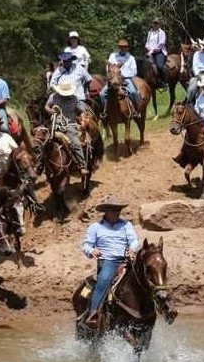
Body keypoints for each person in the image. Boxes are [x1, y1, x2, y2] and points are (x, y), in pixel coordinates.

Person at [81, 196, 140, 327]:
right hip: (108, 261)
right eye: (114, 210)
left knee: (146, 277)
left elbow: (134, 240)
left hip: (126, 260)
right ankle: (94, 313)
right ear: (106, 211)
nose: (117, 212)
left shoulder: (126, 225)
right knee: (104, 279)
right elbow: (86, 245)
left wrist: (132, 249)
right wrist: (92, 251)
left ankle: (161, 307)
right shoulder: (95, 227)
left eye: (118, 210)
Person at [45, 80, 89, 176]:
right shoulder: (53, 97)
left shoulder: (74, 99)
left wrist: (83, 120)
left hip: (69, 126)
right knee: (42, 142)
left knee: (76, 144)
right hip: (55, 125)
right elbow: (46, 106)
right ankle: (39, 166)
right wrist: (50, 111)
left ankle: (82, 165)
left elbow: (81, 111)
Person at [101, 39, 141, 117]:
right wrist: (112, 75)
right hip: (113, 80)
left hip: (126, 79)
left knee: (133, 92)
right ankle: (104, 112)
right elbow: (108, 67)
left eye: (124, 47)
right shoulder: (113, 56)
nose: (122, 48)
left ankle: (136, 110)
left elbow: (134, 71)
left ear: (127, 48)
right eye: (121, 47)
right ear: (119, 47)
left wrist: (123, 75)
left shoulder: (131, 58)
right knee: (102, 94)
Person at [145, 18, 168, 87]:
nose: (155, 24)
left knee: (160, 66)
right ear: (152, 24)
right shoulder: (150, 33)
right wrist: (147, 47)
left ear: (159, 24)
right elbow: (147, 42)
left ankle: (164, 81)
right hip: (150, 52)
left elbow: (161, 44)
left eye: (157, 23)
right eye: (154, 23)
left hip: (159, 52)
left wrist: (151, 51)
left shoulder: (162, 33)